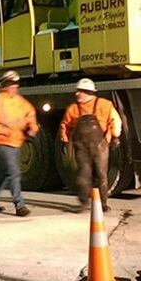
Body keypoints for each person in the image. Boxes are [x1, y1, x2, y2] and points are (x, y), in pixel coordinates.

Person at [0, 71, 39, 217]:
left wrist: (33, 127)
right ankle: (19, 205)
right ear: (4, 85)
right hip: (2, 142)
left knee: (6, 173)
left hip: (16, 141)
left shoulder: (20, 101)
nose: (14, 87)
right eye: (11, 84)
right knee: (14, 172)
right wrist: (1, 130)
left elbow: (30, 113)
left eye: (16, 84)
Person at [59, 78, 122, 213]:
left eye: (80, 91)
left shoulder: (104, 105)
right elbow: (65, 125)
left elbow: (115, 120)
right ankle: (84, 202)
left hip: (100, 145)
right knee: (83, 174)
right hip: (81, 147)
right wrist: (65, 141)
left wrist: (115, 136)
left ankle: (103, 203)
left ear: (88, 92)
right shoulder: (73, 109)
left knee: (101, 175)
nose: (77, 94)